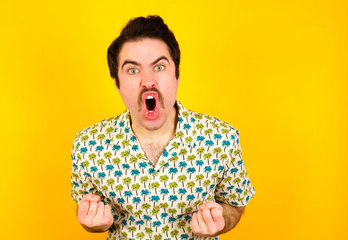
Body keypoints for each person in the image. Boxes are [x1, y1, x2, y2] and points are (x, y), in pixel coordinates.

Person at [70, 15, 255, 240]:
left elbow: (234, 204)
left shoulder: (222, 138)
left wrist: (222, 219)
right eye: (132, 70)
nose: (148, 81)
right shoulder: (88, 145)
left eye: (159, 67)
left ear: (177, 74)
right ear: (117, 83)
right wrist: (94, 225)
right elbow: (88, 213)